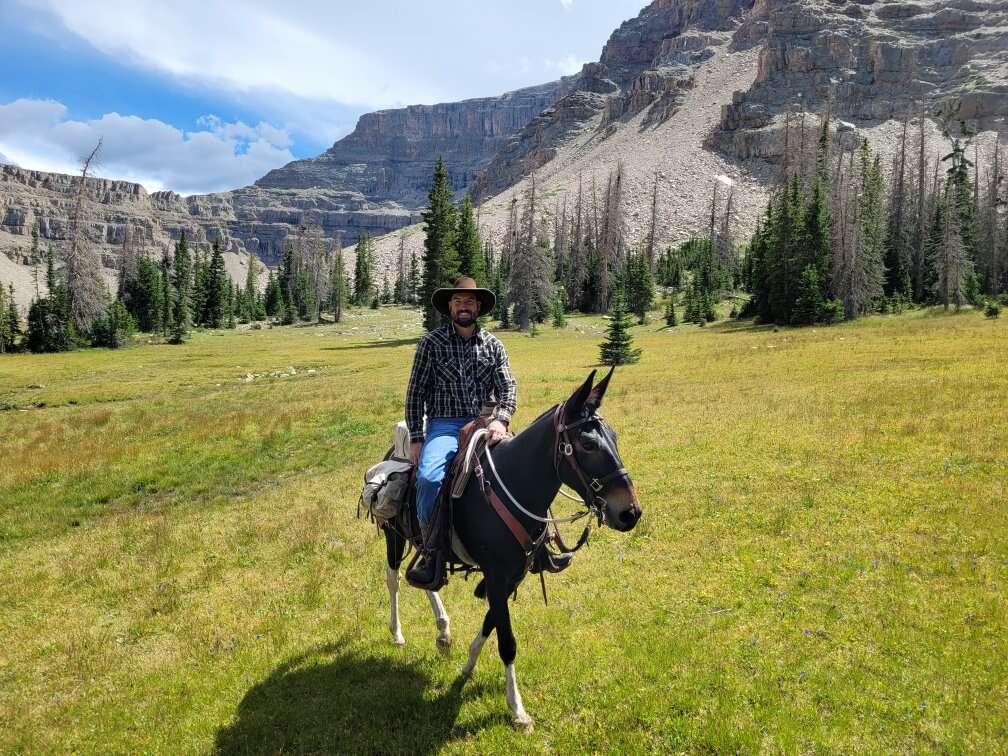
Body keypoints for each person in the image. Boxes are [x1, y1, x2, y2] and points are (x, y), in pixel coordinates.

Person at [404, 276, 517, 586]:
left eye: (469, 301)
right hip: (444, 424)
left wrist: (501, 419)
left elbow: (508, 386)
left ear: (478, 306)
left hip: (485, 421)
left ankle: (538, 542)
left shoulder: (493, 345)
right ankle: (431, 552)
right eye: (458, 301)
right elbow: (416, 393)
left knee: (524, 465)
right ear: (450, 307)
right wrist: (416, 437)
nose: (463, 306)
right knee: (428, 480)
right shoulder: (431, 344)